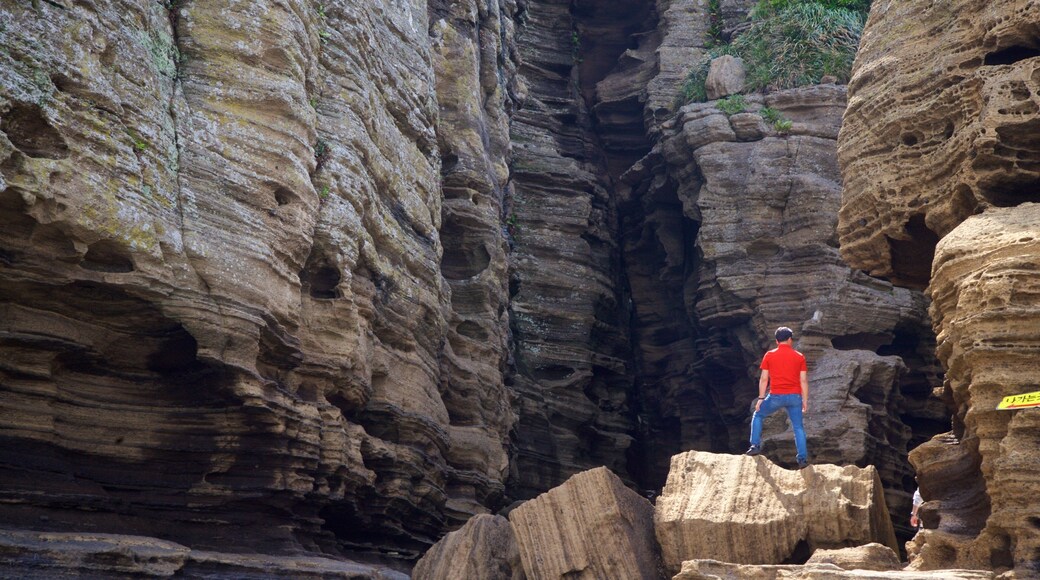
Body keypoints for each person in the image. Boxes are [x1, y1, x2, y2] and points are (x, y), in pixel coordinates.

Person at [745, 326, 810, 468]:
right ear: (790, 339)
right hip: (794, 397)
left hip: (776, 396)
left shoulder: (769, 355)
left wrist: (761, 398)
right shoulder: (799, 356)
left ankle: (755, 446)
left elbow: (764, 379)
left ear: (776, 341)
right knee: (798, 428)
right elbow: (803, 380)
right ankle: (802, 460)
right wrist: (804, 400)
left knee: (758, 415)